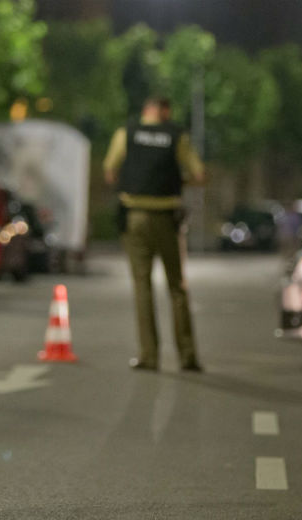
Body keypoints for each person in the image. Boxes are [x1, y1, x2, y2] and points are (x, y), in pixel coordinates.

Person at [103, 97, 206, 372]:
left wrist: (130, 183)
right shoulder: (176, 136)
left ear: (145, 110)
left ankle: (149, 356)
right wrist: (176, 181)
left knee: (142, 286)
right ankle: (187, 356)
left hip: (134, 216)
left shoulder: (127, 133)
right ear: (165, 111)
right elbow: (199, 174)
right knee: (177, 287)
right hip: (166, 219)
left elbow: (110, 170)